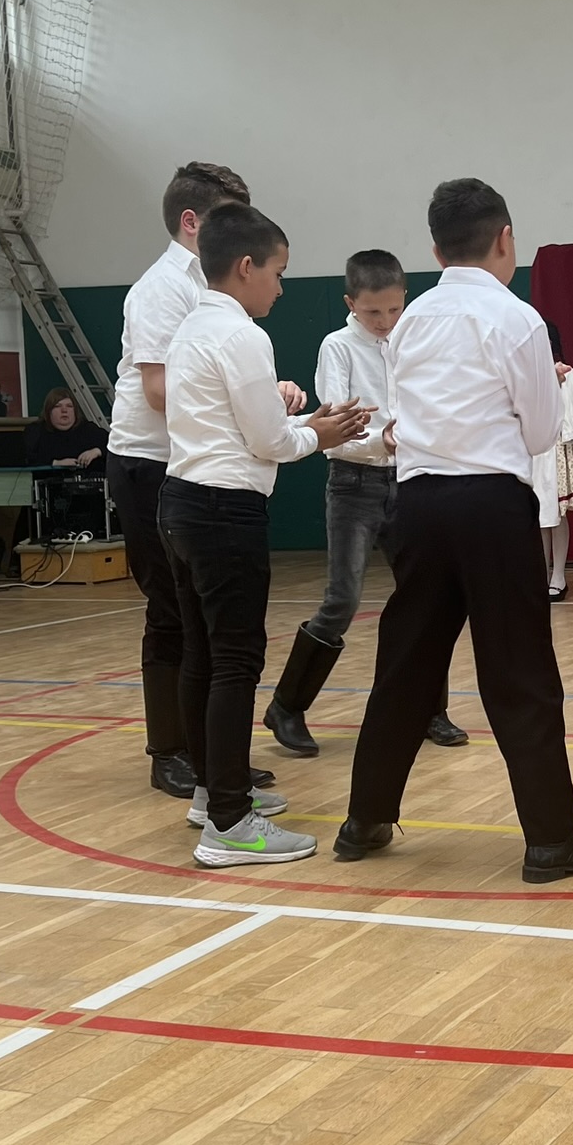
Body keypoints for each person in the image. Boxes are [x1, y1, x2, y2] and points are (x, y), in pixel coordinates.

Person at [335, 177, 573, 884]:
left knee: (407, 663)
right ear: (506, 239)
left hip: (417, 505)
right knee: (519, 669)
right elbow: (542, 432)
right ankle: (549, 840)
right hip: (491, 504)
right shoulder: (517, 319)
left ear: (435, 251)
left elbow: (402, 416)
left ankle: (365, 819)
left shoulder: (410, 323)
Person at [160, 202, 368, 867]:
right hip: (222, 510)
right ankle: (229, 823)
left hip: (182, 501)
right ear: (246, 267)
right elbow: (268, 443)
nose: (281, 286)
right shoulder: (242, 335)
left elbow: (241, 423)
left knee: (202, 656)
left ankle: (210, 793)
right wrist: (320, 434)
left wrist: (303, 422)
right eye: (278, 273)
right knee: (235, 661)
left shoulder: (193, 326)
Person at [107, 162, 281, 802]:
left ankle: (215, 760)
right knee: (173, 615)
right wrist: (253, 411)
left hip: (192, 463)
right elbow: (161, 391)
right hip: (151, 462)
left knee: (209, 625)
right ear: (192, 222)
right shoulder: (162, 289)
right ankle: (171, 750)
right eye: (229, 216)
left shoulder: (216, 293)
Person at [263, 249, 468, 756]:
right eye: (374, 311)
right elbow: (334, 432)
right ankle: (287, 706)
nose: (385, 320)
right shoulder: (338, 347)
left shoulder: (413, 338)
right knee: (343, 599)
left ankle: (429, 708)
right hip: (354, 484)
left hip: (413, 481)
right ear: (350, 303)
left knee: (427, 597)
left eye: (395, 309)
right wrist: (383, 440)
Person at [534, 322, 573, 602]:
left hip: (557, 447)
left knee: (556, 514)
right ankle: (540, 573)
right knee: (538, 516)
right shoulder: (524, 374)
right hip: (531, 449)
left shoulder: (565, 372)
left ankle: (558, 575)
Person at [24, 388, 107, 469]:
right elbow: (25, 458)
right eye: (57, 406)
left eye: (69, 406)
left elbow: (112, 443)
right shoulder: (35, 431)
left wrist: (97, 451)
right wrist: (56, 463)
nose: (64, 410)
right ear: (48, 411)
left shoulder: (88, 429)